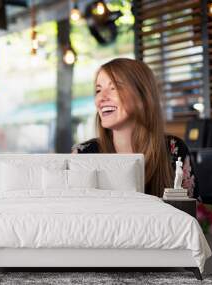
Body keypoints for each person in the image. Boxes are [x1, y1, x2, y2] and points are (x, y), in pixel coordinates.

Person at [72, 58, 198, 198]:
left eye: (114, 88)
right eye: (98, 90)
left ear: (143, 96)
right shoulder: (83, 155)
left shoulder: (174, 149)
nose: (101, 98)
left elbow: (193, 215)